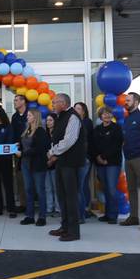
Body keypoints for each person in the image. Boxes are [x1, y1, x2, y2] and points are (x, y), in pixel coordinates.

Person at [47, 93, 87, 242]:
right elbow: (57, 138)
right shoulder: (61, 117)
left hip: (71, 164)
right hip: (62, 163)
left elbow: (69, 140)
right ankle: (65, 227)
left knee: (71, 198)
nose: (52, 105)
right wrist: (54, 152)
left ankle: (74, 232)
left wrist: (52, 152)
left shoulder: (73, 117)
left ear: (63, 103)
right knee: (62, 197)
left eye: (54, 102)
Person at [120, 92, 140, 230]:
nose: (125, 102)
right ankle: (134, 217)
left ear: (136, 102)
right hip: (128, 159)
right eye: (125, 100)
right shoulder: (127, 119)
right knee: (131, 189)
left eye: (128, 100)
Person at [91, 106, 124, 224]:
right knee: (105, 189)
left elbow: (116, 146)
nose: (107, 116)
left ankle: (113, 215)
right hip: (99, 163)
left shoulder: (117, 128)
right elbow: (93, 145)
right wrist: (98, 157)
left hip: (112, 163)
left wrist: (104, 157)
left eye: (109, 113)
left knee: (111, 189)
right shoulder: (97, 129)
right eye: (104, 114)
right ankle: (107, 213)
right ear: (101, 116)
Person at [17, 109, 50, 226]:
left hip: (37, 164)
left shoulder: (41, 131)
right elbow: (24, 145)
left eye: (29, 115)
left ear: (35, 117)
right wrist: (18, 146)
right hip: (25, 164)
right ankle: (29, 216)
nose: (27, 117)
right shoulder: (27, 130)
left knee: (40, 191)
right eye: (27, 115)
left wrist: (23, 153)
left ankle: (42, 217)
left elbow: (40, 148)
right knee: (28, 190)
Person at [73, 101, 95, 221]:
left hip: (84, 158)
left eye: (79, 108)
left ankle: (84, 210)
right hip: (77, 158)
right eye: (75, 108)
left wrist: (87, 157)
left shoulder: (86, 122)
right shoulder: (73, 122)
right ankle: (83, 210)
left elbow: (88, 141)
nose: (76, 110)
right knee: (81, 185)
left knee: (81, 185)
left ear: (84, 111)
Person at [11, 95, 28, 212]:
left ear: (23, 101)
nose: (15, 102)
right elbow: (13, 134)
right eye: (14, 100)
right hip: (18, 153)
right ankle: (23, 204)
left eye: (16, 100)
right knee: (20, 179)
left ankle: (32, 204)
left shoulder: (31, 114)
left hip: (30, 151)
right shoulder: (14, 116)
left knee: (31, 179)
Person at [44, 113, 60, 218]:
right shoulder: (44, 134)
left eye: (51, 120)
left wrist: (53, 159)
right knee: (48, 187)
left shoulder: (58, 133)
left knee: (56, 187)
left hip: (56, 163)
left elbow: (61, 148)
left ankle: (58, 209)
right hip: (45, 164)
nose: (48, 122)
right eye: (47, 120)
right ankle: (49, 207)